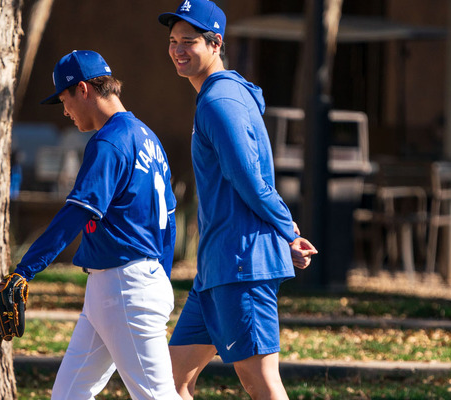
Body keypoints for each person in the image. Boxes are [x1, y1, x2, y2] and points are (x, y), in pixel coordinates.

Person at [157, 1, 318, 399]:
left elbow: (247, 177)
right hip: (215, 270)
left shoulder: (220, 101)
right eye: (173, 41)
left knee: (261, 383)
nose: (178, 49)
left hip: (240, 266)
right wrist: (285, 236)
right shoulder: (220, 96)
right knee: (170, 383)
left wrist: (285, 228)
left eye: (189, 41)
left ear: (215, 44)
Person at [13, 50, 181, 400]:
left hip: (125, 286)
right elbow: (169, 220)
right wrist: (160, 278)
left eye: (64, 98)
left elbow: (76, 213)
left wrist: (24, 271)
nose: (65, 111)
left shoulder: (108, 141)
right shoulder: (146, 136)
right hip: (121, 286)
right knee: (68, 395)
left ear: (84, 90)